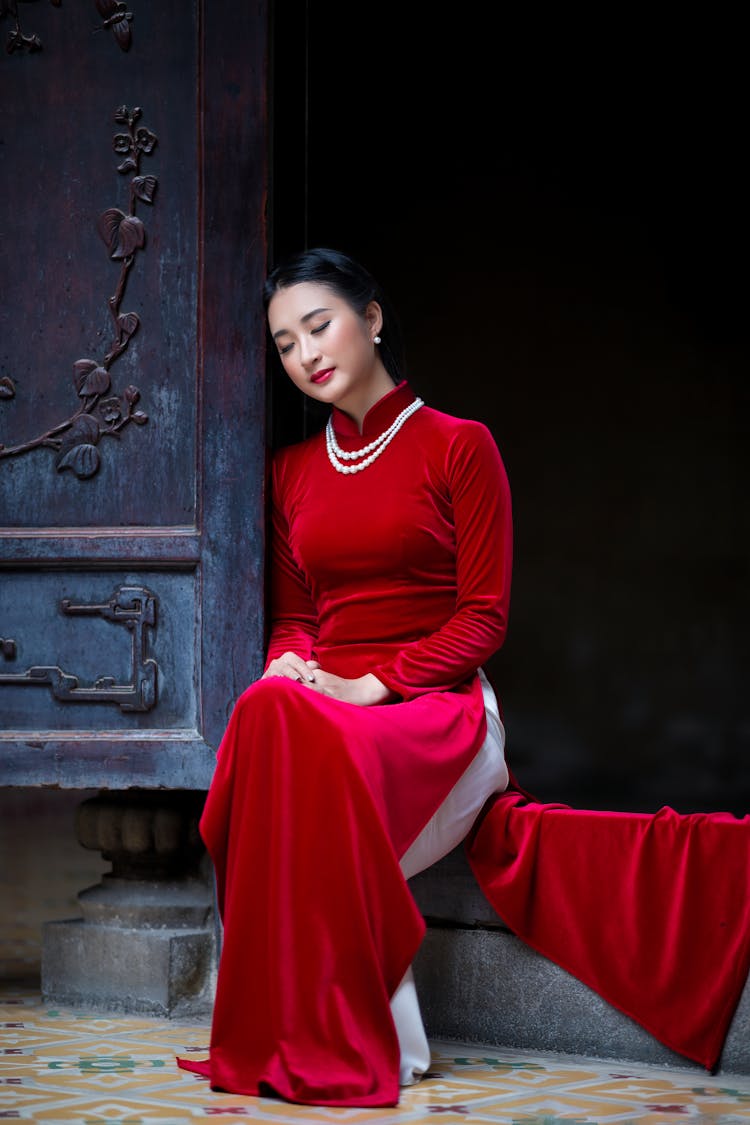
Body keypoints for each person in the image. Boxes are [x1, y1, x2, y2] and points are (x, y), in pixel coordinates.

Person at [177, 247, 514, 1106]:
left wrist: (377, 685)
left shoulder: (459, 446)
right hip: (330, 705)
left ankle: (357, 1031)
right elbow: (296, 615)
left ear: (370, 317)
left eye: (318, 326)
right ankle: (325, 1030)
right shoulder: (289, 472)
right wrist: (288, 662)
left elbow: (484, 617)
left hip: (432, 707)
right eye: (285, 344)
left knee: (300, 741)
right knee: (264, 706)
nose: (304, 355)